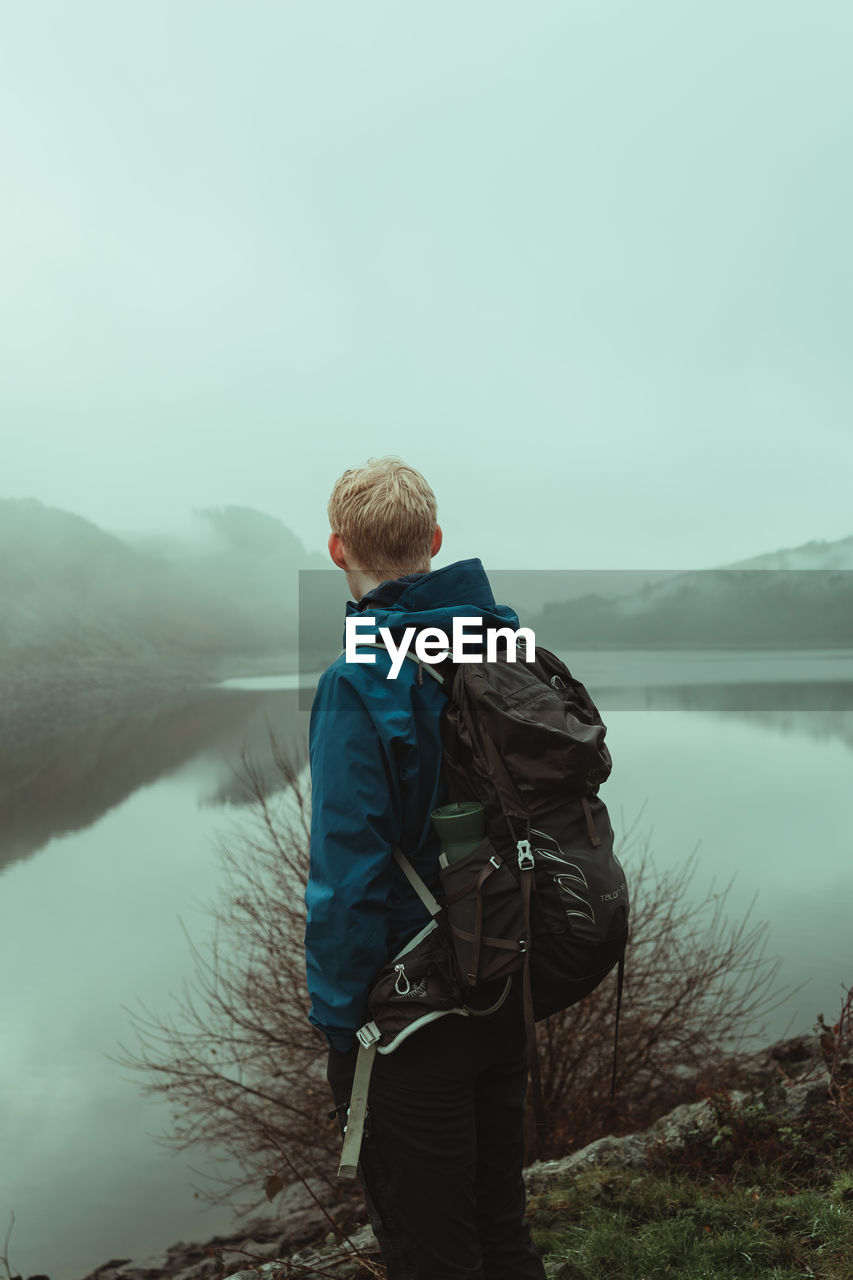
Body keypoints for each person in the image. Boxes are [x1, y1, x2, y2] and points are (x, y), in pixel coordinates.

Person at [304, 457, 546, 1280]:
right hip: (505, 978)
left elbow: (349, 875)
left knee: (430, 1251)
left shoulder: (358, 682)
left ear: (338, 549)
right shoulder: (505, 650)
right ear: (435, 543)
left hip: (410, 1014)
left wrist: (342, 1024)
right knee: (500, 1228)